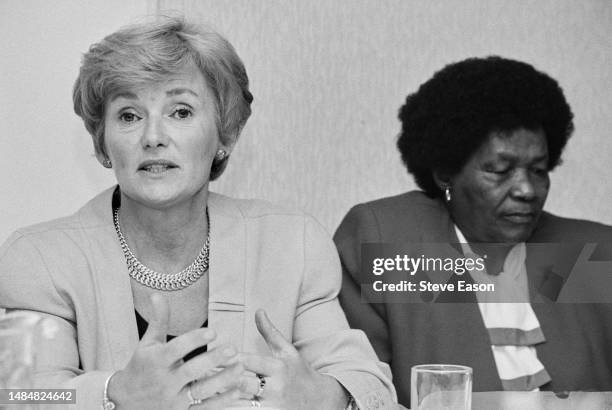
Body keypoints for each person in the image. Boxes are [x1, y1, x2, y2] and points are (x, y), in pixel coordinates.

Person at [0, 17, 396, 410]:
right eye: (129, 116)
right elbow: (21, 397)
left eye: (181, 112)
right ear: (103, 144)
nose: (153, 137)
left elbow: (367, 383)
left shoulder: (293, 245)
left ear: (224, 134)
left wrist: (325, 396)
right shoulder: (41, 259)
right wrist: (112, 393)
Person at [334, 56, 612, 406]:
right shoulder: (388, 238)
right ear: (446, 174)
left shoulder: (595, 252)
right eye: (499, 170)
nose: (527, 189)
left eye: (539, 170)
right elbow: (357, 392)